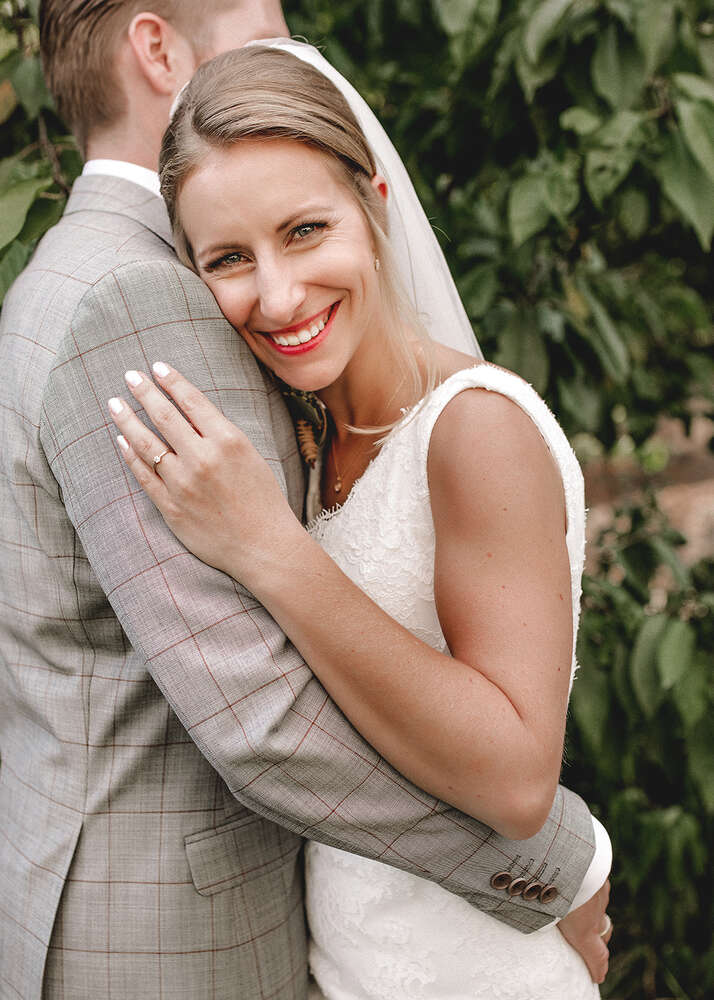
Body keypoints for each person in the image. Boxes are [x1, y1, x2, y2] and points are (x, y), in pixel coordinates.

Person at [0, 4, 609, 999]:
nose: (277, 297)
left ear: (373, 203)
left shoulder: (472, 426)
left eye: (306, 230)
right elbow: (263, 721)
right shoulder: (149, 305)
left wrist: (270, 549)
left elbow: (510, 767)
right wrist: (559, 870)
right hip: (256, 941)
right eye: (229, 259)